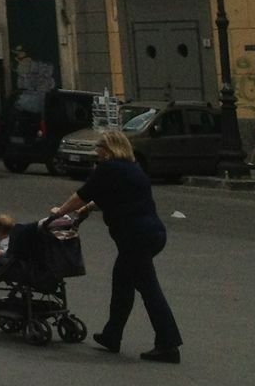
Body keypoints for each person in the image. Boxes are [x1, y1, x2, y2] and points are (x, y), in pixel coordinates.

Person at [51, 127, 183, 363]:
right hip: (152, 233)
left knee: (149, 288)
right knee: (122, 281)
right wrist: (86, 210)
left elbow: (82, 194)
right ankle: (112, 334)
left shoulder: (108, 168)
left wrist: (59, 213)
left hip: (135, 238)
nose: (97, 154)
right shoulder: (132, 169)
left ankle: (168, 343)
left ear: (108, 149)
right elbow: (109, 197)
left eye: (98, 149)